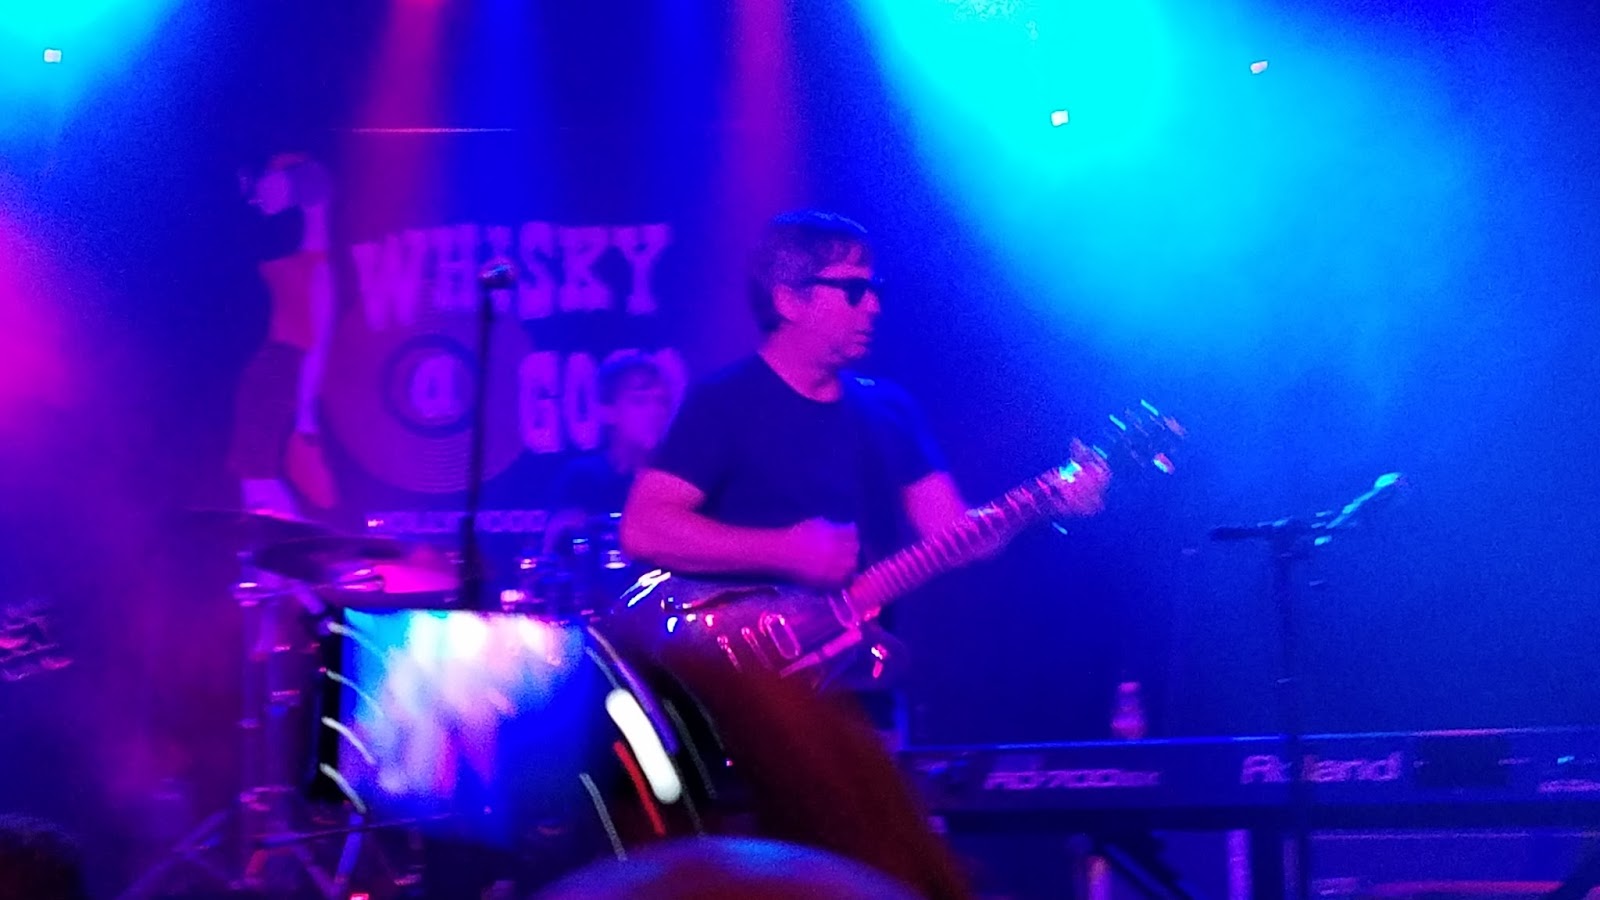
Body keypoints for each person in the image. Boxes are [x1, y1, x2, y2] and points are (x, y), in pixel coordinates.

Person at [618, 210, 1109, 704]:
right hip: (750, 691)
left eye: (875, 290)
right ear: (789, 300)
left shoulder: (889, 409)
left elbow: (955, 536)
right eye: (853, 290)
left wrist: (1047, 502)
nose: (873, 306)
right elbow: (644, 529)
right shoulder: (723, 404)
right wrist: (785, 549)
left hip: (856, 686)